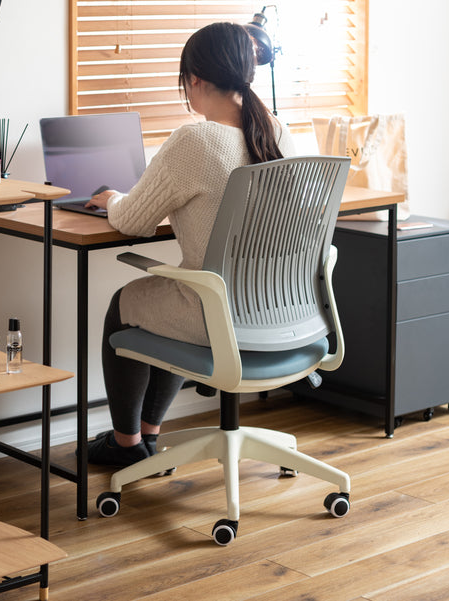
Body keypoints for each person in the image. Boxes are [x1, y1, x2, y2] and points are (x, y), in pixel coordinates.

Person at [84, 22, 296, 467]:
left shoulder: (195, 140)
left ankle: (127, 446)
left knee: (127, 305)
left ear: (195, 80)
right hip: (280, 311)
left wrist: (111, 198)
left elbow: (132, 221)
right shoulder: (277, 133)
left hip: (218, 313)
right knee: (163, 303)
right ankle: (149, 436)